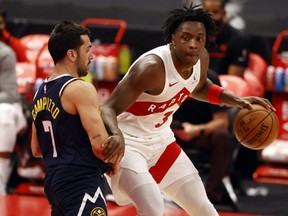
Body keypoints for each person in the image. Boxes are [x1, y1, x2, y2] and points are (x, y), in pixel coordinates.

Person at [101, 5, 274, 216]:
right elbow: (108, 108)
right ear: (172, 38)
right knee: (153, 206)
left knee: (204, 209)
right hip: (129, 145)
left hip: (161, 143)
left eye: (199, 39)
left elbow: (199, 87)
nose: (193, 44)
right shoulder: (151, 68)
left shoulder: (201, 59)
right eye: (185, 38)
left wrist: (235, 100)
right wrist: (116, 136)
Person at [30, 20, 124, 215]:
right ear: (71, 54)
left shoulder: (39, 92)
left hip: (54, 182)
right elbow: (101, 146)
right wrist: (114, 160)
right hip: (81, 180)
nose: (92, 56)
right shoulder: (80, 88)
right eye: (88, 49)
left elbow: (37, 148)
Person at [172, 69, 237, 209]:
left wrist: (197, 130)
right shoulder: (164, 73)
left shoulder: (210, 78)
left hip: (200, 134)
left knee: (222, 136)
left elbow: (222, 122)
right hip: (169, 132)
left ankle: (210, 196)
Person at [0, 41, 27, 194]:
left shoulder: (4, 54)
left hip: (11, 108)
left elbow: (9, 95)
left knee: (4, 113)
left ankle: (0, 183)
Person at [202, 0, 251, 78]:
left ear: (224, 13)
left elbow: (234, 80)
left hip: (224, 86)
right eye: (206, 12)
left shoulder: (239, 39)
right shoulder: (194, 37)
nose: (210, 16)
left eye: (216, 12)